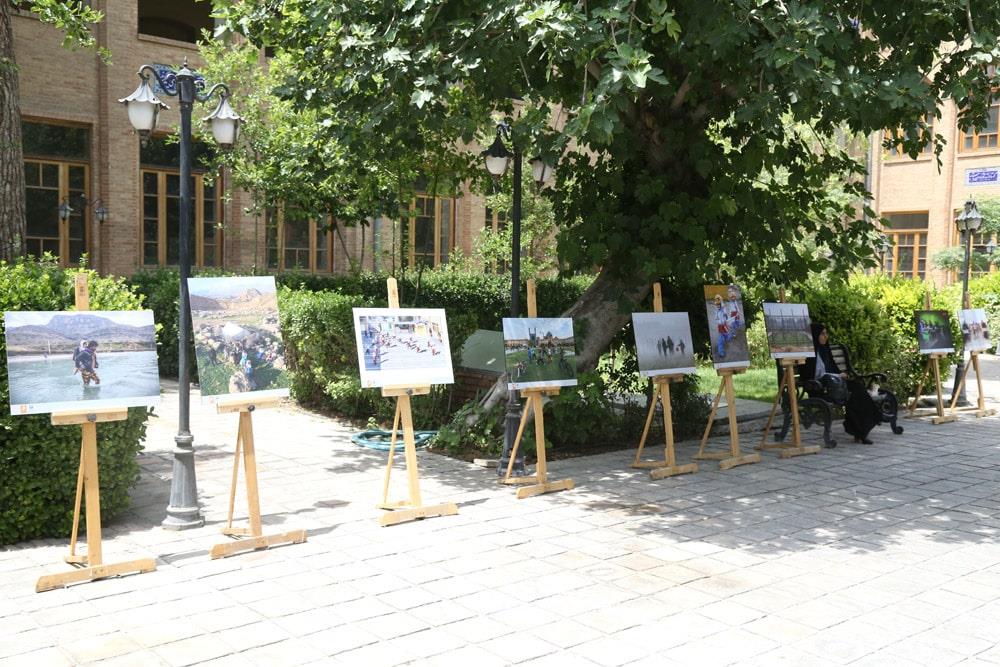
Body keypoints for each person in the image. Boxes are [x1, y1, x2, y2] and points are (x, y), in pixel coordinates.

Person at [802, 323, 879, 444]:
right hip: (820, 388)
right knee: (854, 395)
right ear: (815, 335)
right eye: (822, 334)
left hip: (835, 384)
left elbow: (833, 369)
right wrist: (838, 376)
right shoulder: (809, 355)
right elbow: (814, 376)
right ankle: (861, 430)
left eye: (826, 333)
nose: (826, 336)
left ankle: (861, 430)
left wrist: (840, 375)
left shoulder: (825, 350)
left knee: (858, 388)